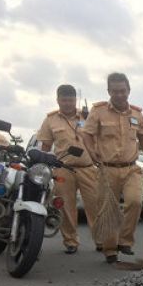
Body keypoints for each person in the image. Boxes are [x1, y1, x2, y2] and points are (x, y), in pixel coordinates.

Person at [81, 73, 143, 263]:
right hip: (107, 169)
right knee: (108, 208)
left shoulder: (137, 114)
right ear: (109, 91)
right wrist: (91, 151)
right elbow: (87, 134)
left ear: (129, 90)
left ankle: (125, 241)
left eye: (123, 91)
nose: (119, 95)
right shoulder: (99, 111)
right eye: (115, 91)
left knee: (135, 202)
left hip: (131, 168)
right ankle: (110, 249)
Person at [36, 85, 100, 254]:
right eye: (64, 100)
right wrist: (43, 166)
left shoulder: (88, 116)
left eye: (71, 100)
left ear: (75, 100)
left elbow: (99, 138)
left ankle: (100, 240)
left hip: (88, 168)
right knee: (65, 207)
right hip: (63, 168)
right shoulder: (50, 120)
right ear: (58, 100)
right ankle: (71, 241)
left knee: (95, 205)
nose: (67, 104)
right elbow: (46, 146)